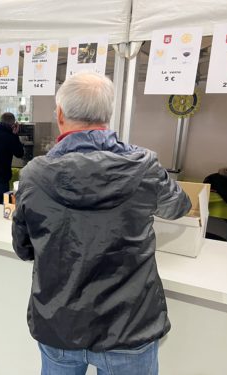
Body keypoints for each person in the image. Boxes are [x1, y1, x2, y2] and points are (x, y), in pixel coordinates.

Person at [12, 72, 192, 375]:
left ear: (59, 114)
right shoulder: (143, 165)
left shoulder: (34, 174)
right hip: (129, 324)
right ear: (107, 115)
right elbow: (179, 207)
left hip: (60, 321)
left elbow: (24, 247)